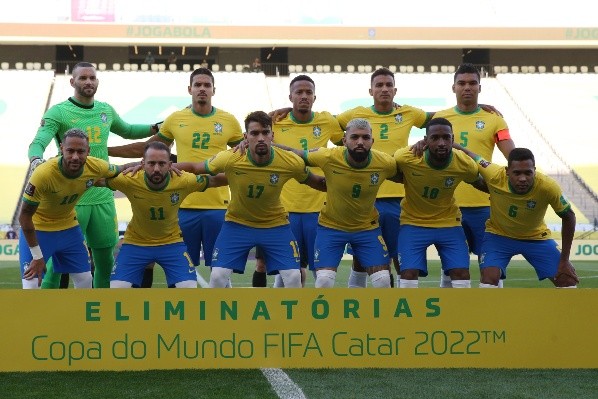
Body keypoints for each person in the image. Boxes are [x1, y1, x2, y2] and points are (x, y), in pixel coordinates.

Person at [28, 61, 160, 289]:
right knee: (55, 269)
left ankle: (99, 316)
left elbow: (127, 130)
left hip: (102, 197)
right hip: (71, 199)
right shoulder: (58, 112)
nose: (88, 82)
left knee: (105, 263)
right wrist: (36, 160)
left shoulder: (105, 110)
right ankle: (50, 317)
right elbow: (39, 141)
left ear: (97, 81)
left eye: (92, 78)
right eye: (83, 78)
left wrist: (155, 128)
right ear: (72, 82)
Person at [108, 68, 243, 286]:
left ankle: (219, 316)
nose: (202, 89)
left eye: (206, 85)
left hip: (217, 203)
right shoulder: (176, 118)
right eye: (197, 85)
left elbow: (244, 156)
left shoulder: (229, 120)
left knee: (220, 269)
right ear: (189, 89)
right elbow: (148, 147)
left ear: (213, 90)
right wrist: (107, 150)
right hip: (182, 203)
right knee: (177, 271)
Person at [174, 111, 326, 288]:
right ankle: (217, 315)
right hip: (237, 224)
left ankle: (288, 315)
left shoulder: (290, 161)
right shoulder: (231, 158)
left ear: (272, 135)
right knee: (217, 276)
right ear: (246, 137)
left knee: (293, 276)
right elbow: (195, 167)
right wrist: (163, 166)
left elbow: (317, 182)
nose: (261, 138)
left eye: (265, 132)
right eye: (255, 133)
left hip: (275, 225)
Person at [335, 67, 433, 288]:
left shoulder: (409, 113)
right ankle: (355, 314)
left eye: (389, 85)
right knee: (361, 259)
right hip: (365, 198)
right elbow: (321, 122)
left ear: (395, 90)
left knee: (401, 259)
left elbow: (442, 120)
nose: (384, 89)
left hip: (400, 197)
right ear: (370, 91)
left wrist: (479, 108)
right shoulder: (356, 115)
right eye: (379, 85)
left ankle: (399, 314)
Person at [275, 118, 399, 288]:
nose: (360, 142)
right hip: (331, 227)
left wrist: (424, 144)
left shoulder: (385, 163)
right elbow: (293, 153)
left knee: (383, 280)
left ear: (372, 141)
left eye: (365, 137)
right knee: (324, 280)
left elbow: (411, 172)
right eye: (354, 137)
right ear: (344, 140)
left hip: (367, 228)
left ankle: (361, 314)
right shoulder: (328, 156)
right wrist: (264, 144)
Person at [252, 74, 344, 288]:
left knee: (320, 273)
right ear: (290, 96)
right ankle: (273, 317)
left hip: (319, 209)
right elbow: (252, 131)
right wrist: (274, 112)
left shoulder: (327, 121)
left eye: (308, 92)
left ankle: (315, 317)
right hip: (283, 209)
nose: (304, 96)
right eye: (299, 92)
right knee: (285, 270)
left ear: (315, 97)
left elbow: (347, 145)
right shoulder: (276, 121)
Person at [432, 63, 514, 288]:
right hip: (449, 206)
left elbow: (512, 156)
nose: (466, 88)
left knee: (491, 267)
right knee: (451, 268)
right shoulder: (440, 117)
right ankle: (450, 316)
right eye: (462, 83)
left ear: (480, 87)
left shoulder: (494, 120)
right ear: (453, 88)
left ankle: (492, 315)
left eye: (471, 83)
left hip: (485, 205)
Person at [104, 142, 228, 288]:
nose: (156, 169)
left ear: (170, 165)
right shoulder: (129, 179)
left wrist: (248, 174)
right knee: (117, 288)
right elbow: (95, 179)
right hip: (135, 243)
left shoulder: (183, 180)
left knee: (188, 287)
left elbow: (214, 180)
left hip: (171, 243)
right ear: (142, 164)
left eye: (162, 164)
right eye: (151, 163)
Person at [455, 146, 578, 288]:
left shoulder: (548, 187)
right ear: (507, 172)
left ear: (535, 171)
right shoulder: (494, 174)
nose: (523, 178)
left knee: (567, 280)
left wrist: (564, 260)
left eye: (528, 173)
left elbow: (569, 216)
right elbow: (472, 155)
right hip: (498, 236)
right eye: (517, 173)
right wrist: (451, 144)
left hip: (536, 238)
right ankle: (493, 310)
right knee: (489, 278)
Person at [19, 128, 123, 289]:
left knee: (85, 280)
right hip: (38, 230)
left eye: (81, 151)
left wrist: (145, 166)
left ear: (88, 151)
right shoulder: (43, 174)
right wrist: (37, 256)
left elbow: (120, 169)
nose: (75, 156)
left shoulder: (95, 166)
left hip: (68, 229)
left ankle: (79, 315)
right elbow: (24, 216)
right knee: (32, 283)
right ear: (62, 149)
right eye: (70, 151)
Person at [394, 118, 480, 288]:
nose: (441, 143)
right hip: (413, 222)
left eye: (446, 138)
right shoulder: (407, 157)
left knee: (461, 274)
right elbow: (387, 171)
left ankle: (455, 314)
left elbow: (481, 182)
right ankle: (408, 314)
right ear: (425, 140)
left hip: (449, 223)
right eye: (435, 138)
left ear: (453, 140)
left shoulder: (464, 164)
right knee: (408, 274)